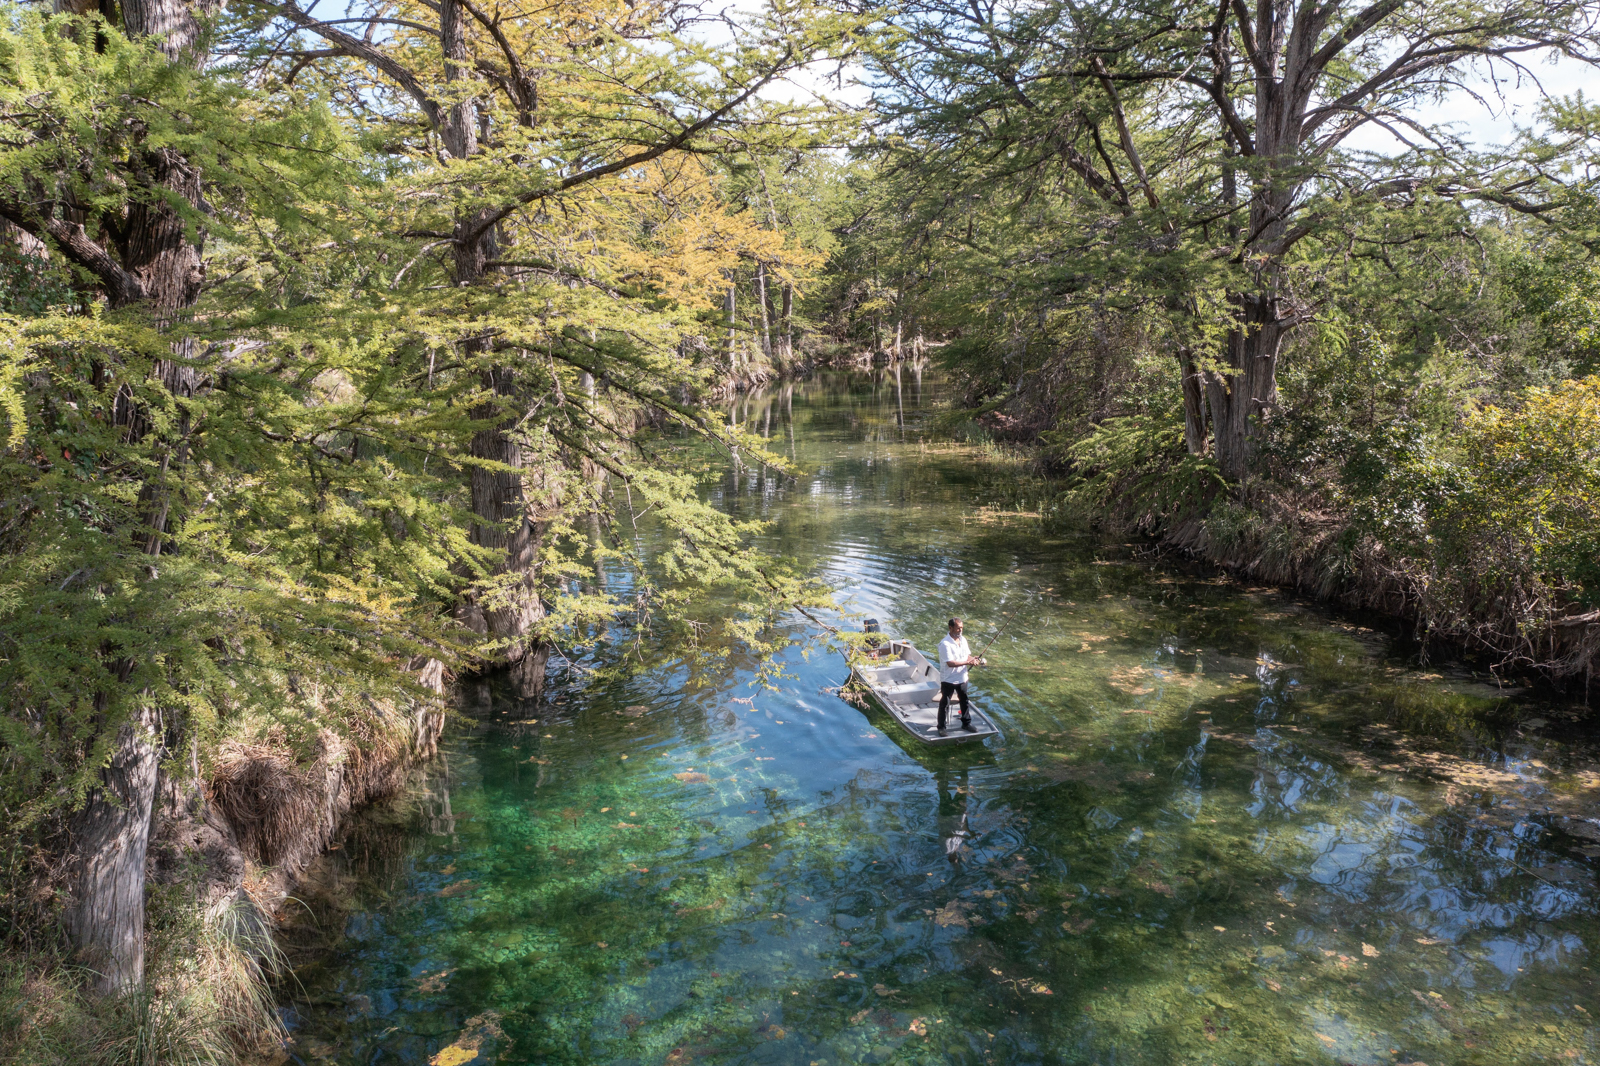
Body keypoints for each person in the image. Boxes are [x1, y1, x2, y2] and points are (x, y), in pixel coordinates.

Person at [936, 617, 985, 734]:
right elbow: (950, 663)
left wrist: (973, 659)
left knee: (964, 701)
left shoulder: (963, 640)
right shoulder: (945, 644)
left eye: (961, 628)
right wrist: (968, 662)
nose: (960, 631)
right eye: (958, 628)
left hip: (962, 678)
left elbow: (967, 656)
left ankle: (966, 723)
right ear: (950, 627)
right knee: (945, 703)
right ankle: (941, 727)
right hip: (948, 679)